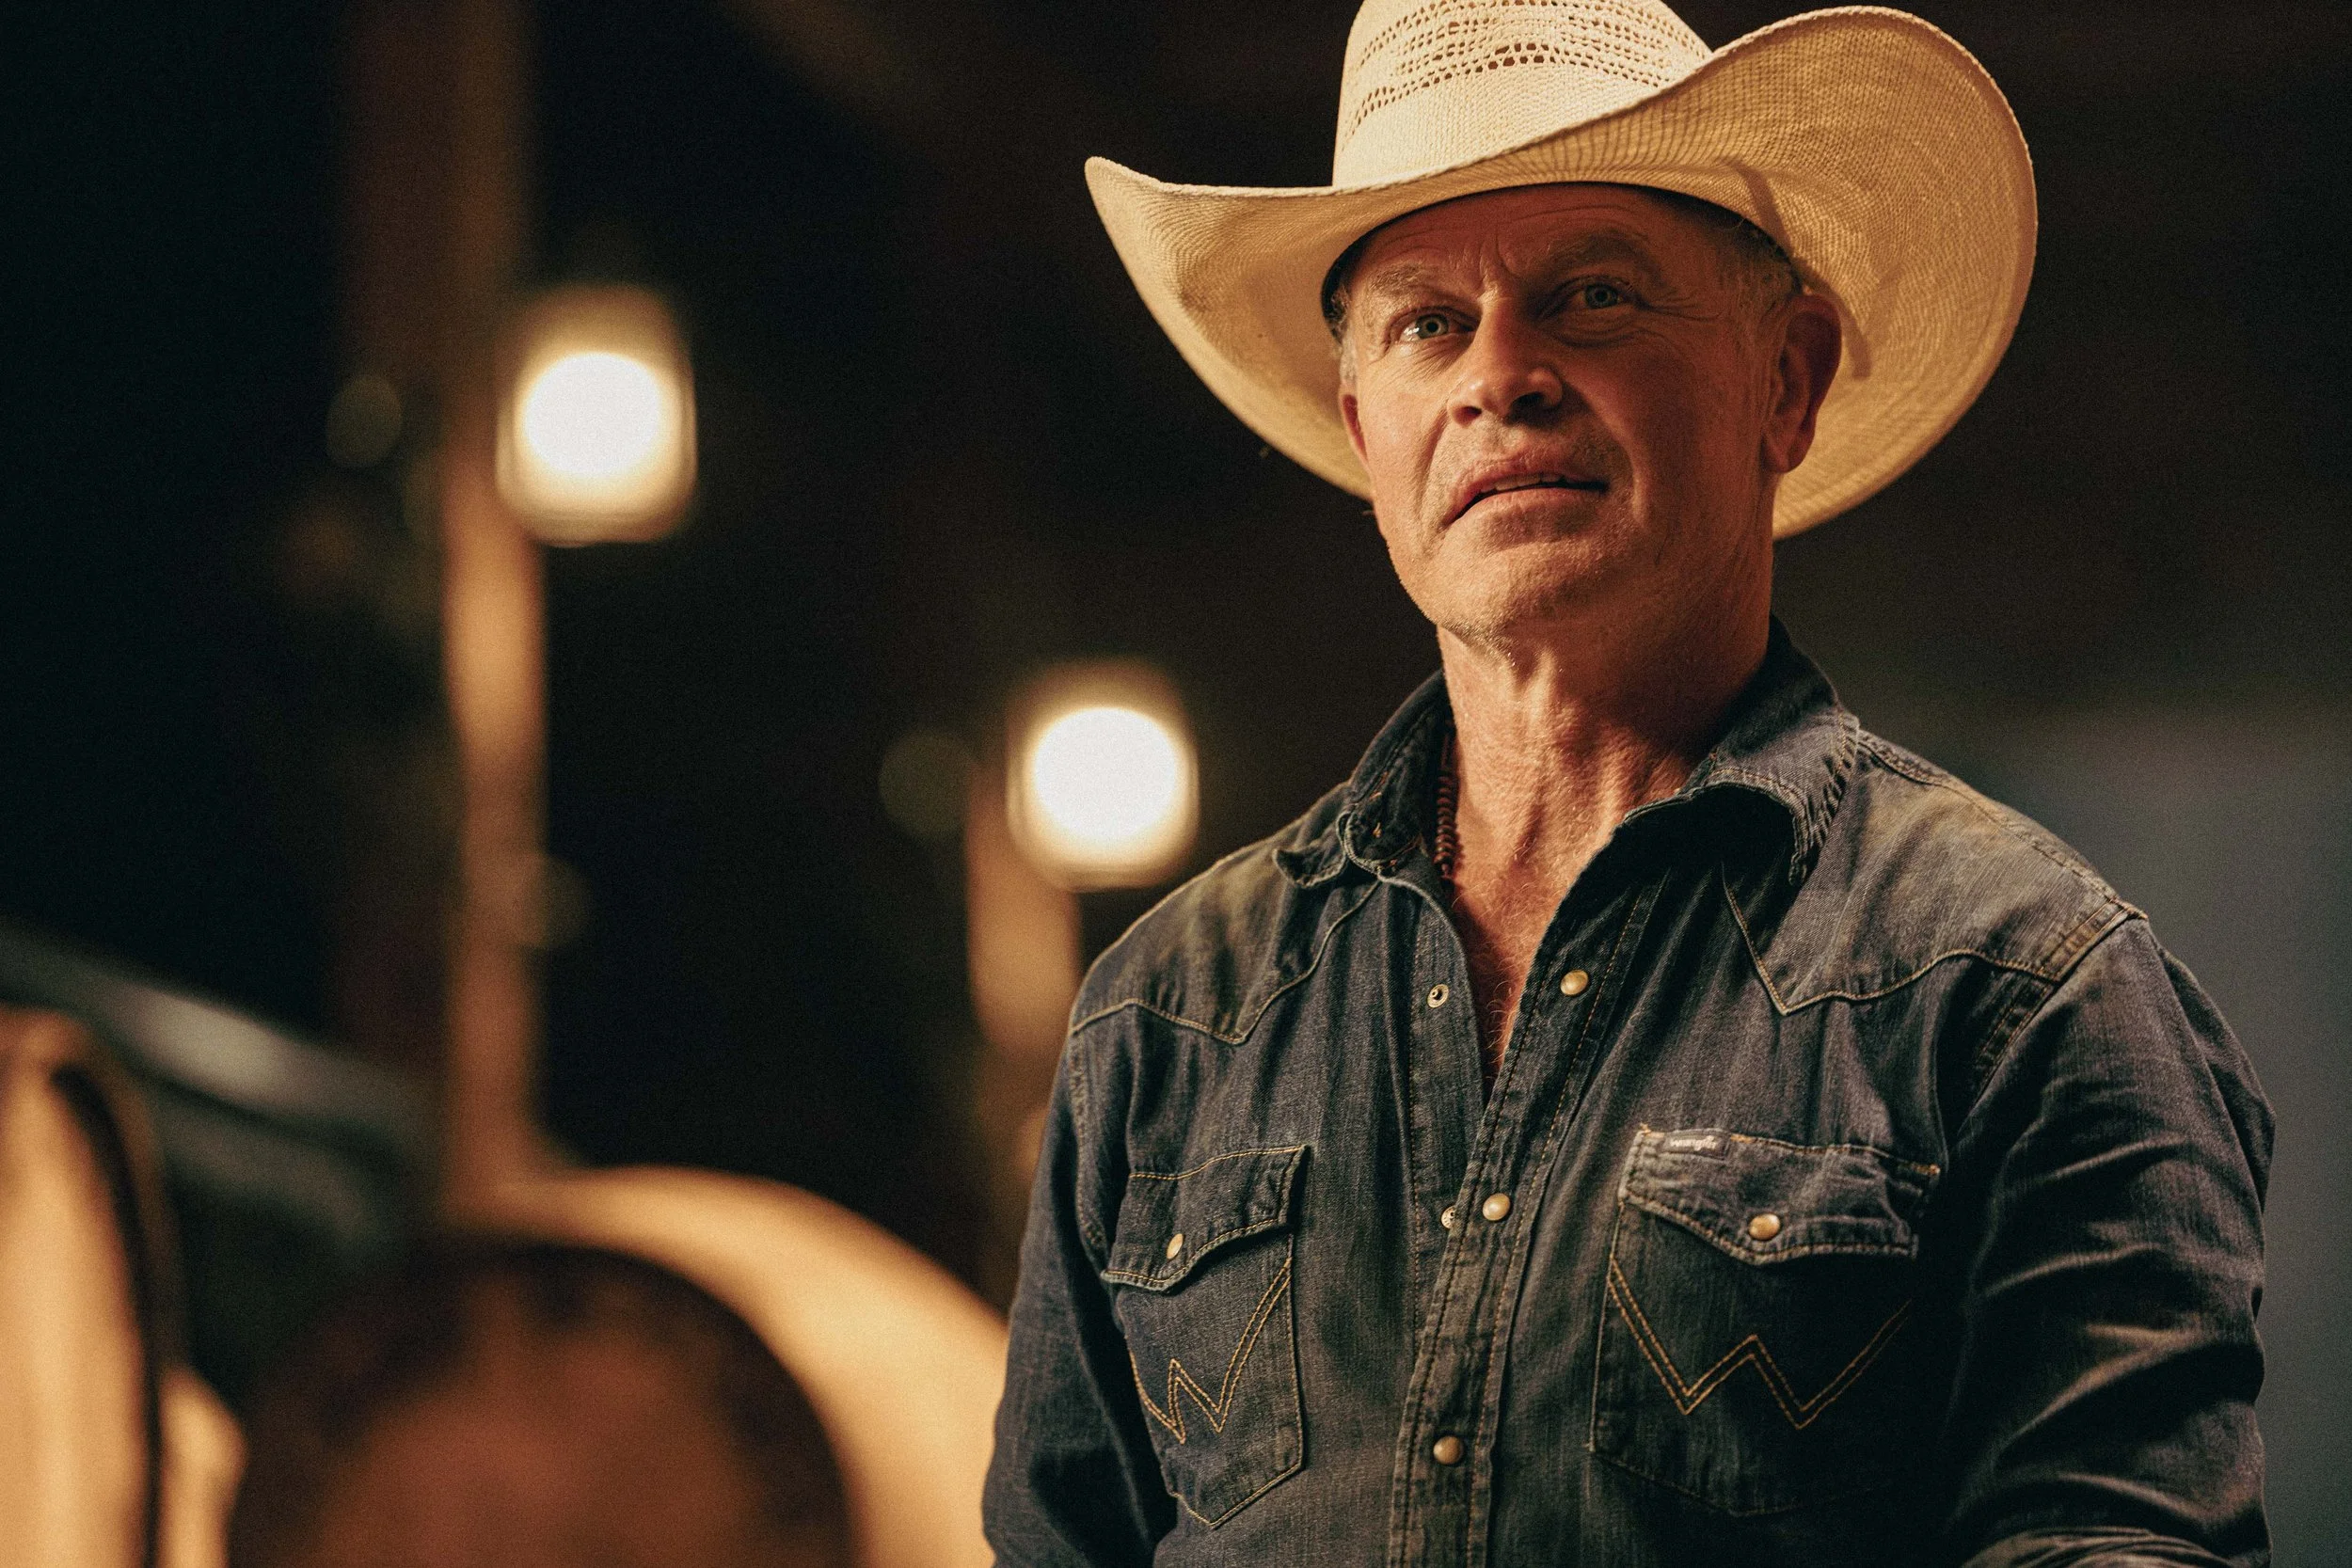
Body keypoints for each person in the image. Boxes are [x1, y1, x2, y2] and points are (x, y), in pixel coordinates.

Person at [981, 2, 2272, 1565]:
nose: (1500, 375)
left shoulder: (2022, 988)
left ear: (1785, 381)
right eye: (1427, 324)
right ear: (1364, 430)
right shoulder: (1171, 1014)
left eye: (1592, 298)